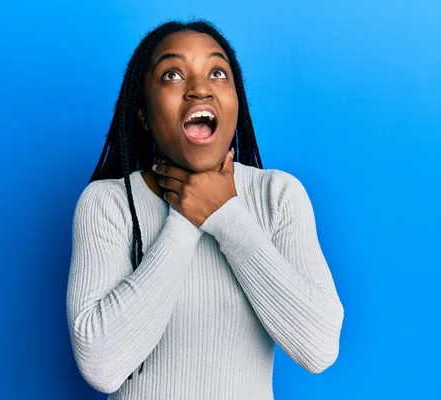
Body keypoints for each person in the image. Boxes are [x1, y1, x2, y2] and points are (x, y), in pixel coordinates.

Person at [66, 19, 344, 399]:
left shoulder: (277, 196)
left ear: (236, 102)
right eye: (172, 75)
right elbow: (101, 366)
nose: (200, 88)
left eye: (217, 72)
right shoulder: (110, 203)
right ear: (143, 112)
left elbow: (319, 348)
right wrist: (183, 220)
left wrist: (227, 215)